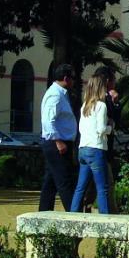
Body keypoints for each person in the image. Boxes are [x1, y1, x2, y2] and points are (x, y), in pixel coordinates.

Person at [71, 75, 115, 214]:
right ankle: (104, 220)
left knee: (80, 187)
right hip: (96, 148)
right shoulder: (101, 106)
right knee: (102, 188)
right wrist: (111, 128)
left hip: (83, 148)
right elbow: (101, 129)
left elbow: (81, 128)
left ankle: (73, 215)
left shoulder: (85, 106)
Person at [38, 63, 78, 211]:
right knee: (64, 181)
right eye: (72, 78)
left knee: (50, 182)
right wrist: (58, 141)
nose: (74, 82)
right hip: (56, 143)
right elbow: (48, 120)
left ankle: (43, 213)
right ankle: (73, 214)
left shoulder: (60, 94)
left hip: (59, 142)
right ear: (66, 78)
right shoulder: (55, 94)